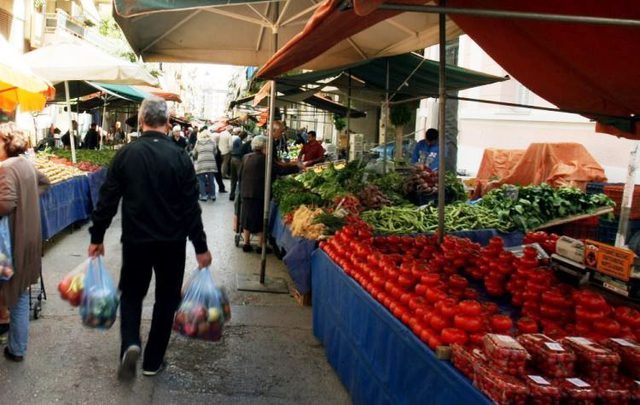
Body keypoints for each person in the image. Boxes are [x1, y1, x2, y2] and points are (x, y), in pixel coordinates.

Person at [87, 97, 212, 380]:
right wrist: (201, 247)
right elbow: (191, 206)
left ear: (141, 119)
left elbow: (107, 199)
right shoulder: (180, 156)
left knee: (131, 296)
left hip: (136, 241)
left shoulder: (126, 154)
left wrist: (97, 236)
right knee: (166, 300)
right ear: (167, 122)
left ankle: (130, 343)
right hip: (172, 243)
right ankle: (152, 361)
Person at [0, 122, 50, 361]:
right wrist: (27, 197)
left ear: (6, 143)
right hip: (28, 239)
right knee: (19, 295)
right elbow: (45, 182)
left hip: (11, 243)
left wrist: (18, 199)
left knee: (16, 294)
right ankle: (17, 349)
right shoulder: (26, 164)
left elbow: (6, 204)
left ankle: (15, 345)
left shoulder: (6, 167)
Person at [238, 135, 271, 254]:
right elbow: (276, 171)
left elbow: (240, 174)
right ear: (263, 146)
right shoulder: (266, 159)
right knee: (260, 218)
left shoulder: (246, 157)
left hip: (246, 192)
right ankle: (259, 245)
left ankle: (246, 243)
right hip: (260, 193)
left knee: (246, 217)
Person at [193, 130, 218, 201]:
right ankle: (213, 195)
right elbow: (215, 152)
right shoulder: (213, 142)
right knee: (211, 179)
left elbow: (195, 152)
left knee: (201, 180)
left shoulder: (198, 142)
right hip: (211, 162)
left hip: (201, 163)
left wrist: (198, 156)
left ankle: (204, 196)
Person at [228, 129, 245, 201]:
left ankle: (232, 195)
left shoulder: (237, 139)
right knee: (240, 177)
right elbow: (240, 150)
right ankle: (239, 196)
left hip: (232, 159)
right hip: (237, 159)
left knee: (233, 178)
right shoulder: (239, 140)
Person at [210, 129, 227, 193]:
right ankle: (221, 188)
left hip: (213, 164)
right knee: (217, 176)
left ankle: (220, 188)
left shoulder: (213, 145)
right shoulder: (216, 146)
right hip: (216, 164)